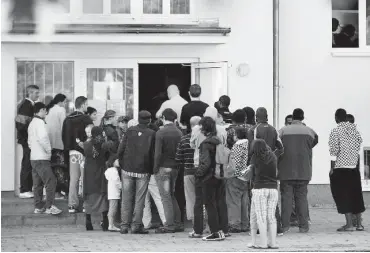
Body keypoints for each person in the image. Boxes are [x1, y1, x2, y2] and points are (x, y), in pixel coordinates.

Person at [190, 106, 228, 238]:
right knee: (219, 202)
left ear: (204, 129)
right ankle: (222, 230)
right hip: (219, 174)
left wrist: (198, 174)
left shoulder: (205, 144)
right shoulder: (218, 141)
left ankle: (215, 232)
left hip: (207, 176)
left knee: (208, 204)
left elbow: (205, 163)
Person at [278, 108, 318, 233]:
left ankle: (284, 226)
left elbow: (277, 145)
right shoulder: (310, 131)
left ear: (293, 117)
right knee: (302, 198)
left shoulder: (282, 131)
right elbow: (314, 142)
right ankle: (304, 226)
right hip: (303, 170)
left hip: (286, 170)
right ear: (303, 117)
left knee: (286, 199)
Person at [118, 110, 155, 234]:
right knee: (140, 199)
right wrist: (151, 169)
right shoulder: (151, 133)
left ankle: (124, 225)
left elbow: (121, 148)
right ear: (149, 120)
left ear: (138, 119)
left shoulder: (129, 131)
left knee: (126, 198)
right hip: (143, 170)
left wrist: (122, 163)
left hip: (127, 169)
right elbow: (152, 154)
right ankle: (136, 226)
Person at [248, 107, 284, 234]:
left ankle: (259, 228)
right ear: (267, 116)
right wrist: (272, 156)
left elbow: (250, 150)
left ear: (256, 117)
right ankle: (277, 228)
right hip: (272, 166)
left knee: (258, 198)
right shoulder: (274, 129)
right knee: (272, 196)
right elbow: (281, 148)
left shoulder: (253, 129)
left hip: (258, 166)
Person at [329, 109, 365, 232]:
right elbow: (359, 143)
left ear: (337, 118)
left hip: (340, 168)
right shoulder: (355, 130)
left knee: (343, 196)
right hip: (353, 168)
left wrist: (332, 168)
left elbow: (333, 151)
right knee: (356, 195)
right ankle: (359, 224)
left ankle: (349, 225)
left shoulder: (336, 131)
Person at [28, 102, 62, 215]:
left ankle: (38, 207)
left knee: (37, 183)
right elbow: (43, 138)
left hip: (34, 157)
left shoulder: (32, 123)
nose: (46, 113)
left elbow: (29, 143)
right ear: (42, 110)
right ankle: (49, 206)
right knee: (51, 181)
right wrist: (49, 151)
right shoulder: (40, 123)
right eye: (45, 111)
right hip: (42, 157)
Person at [154, 108, 183, 233]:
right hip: (175, 167)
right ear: (175, 119)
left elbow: (157, 154)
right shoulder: (179, 133)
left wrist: (155, 168)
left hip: (163, 168)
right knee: (171, 194)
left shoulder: (160, 133)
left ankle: (169, 225)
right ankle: (178, 223)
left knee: (165, 197)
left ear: (163, 118)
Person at [62, 96, 93, 213]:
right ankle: (86, 205)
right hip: (84, 153)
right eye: (86, 104)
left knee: (74, 179)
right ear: (83, 105)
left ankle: (72, 205)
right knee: (85, 179)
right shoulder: (86, 119)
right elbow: (91, 136)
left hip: (72, 153)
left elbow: (64, 137)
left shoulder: (67, 119)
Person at [248, 139, 279, 249]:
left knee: (261, 218)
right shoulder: (273, 157)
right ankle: (273, 243)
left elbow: (251, 175)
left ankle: (263, 243)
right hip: (273, 189)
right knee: (271, 217)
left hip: (260, 189)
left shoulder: (255, 158)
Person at [83, 126, 113, 231]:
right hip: (100, 171)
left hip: (89, 172)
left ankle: (88, 221)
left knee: (89, 195)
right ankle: (105, 221)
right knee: (102, 194)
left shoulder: (86, 144)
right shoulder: (104, 145)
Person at [176, 116, 201, 225]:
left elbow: (178, 158)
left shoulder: (184, 139)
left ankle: (194, 222)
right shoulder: (203, 138)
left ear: (190, 125)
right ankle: (204, 221)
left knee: (190, 198)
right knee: (202, 197)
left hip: (188, 171)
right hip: (201, 171)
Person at [16, 85, 40, 199]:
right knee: (27, 163)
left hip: (28, 139)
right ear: (29, 93)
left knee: (28, 163)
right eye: (36, 93)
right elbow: (20, 125)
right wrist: (29, 137)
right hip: (27, 140)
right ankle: (24, 189)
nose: (38, 95)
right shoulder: (26, 105)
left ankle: (27, 189)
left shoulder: (29, 105)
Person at [226, 127, 250, 233]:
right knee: (244, 200)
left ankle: (235, 224)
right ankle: (245, 224)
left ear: (237, 135)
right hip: (246, 176)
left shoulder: (238, 146)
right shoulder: (249, 144)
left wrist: (229, 174)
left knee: (233, 200)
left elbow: (234, 163)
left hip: (236, 176)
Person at [45, 93, 67, 199]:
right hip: (58, 143)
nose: (65, 104)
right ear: (61, 101)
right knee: (59, 169)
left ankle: (51, 192)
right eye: (65, 102)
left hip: (48, 144)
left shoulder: (48, 109)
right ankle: (58, 192)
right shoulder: (60, 110)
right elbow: (64, 127)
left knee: (51, 169)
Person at [104, 162, 122, 232]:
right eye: (117, 160)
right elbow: (117, 182)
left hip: (111, 192)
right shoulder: (114, 171)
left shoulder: (108, 171)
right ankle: (111, 225)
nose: (119, 161)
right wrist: (122, 186)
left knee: (111, 208)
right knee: (113, 209)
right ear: (113, 162)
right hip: (115, 192)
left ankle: (111, 224)